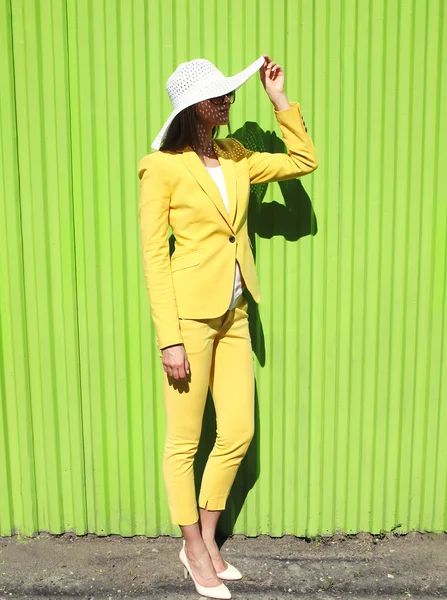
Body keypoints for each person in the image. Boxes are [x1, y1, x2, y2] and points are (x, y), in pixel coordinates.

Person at [138, 54, 318, 599]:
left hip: (237, 313)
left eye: (230, 95)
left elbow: (303, 161)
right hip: (190, 318)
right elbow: (154, 256)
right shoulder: (161, 168)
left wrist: (279, 99)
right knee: (185, 443)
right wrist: (169, 337)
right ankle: (193, 547)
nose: (229, 103)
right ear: (194, 109)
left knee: (237, 431)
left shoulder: (237, 156)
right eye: (219, 97)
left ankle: (209, 539)